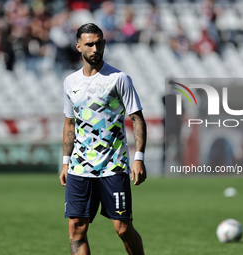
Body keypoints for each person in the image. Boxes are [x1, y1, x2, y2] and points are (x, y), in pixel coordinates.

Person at [59, 23, 147, 255]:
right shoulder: (70, 82)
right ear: (79, 47)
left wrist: (139, 158)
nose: (95, 48)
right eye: (89, 44)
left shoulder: (119, 79)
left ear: (104, 44)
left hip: (113, 165)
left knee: (122, 228)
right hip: (79, 167)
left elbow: (137, 118)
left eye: (99, 43)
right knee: (76, 228)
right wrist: (66, 162)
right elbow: (70, 123)